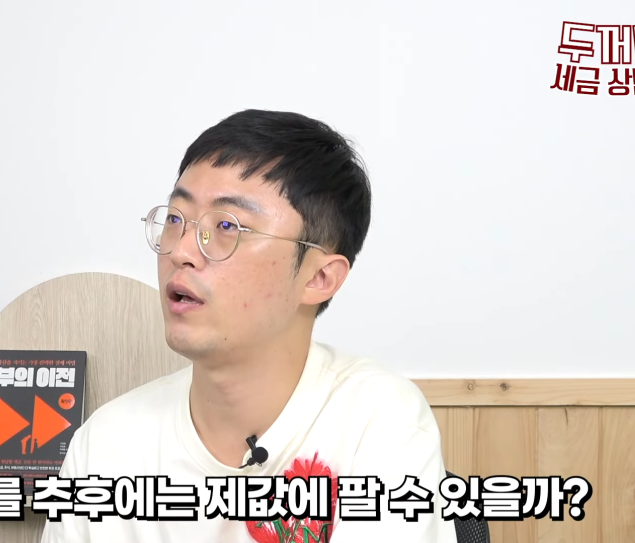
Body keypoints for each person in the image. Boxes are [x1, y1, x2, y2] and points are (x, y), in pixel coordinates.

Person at [40, 109, 457, 542]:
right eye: (176, 219)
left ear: (319, 277)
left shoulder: (380, 424)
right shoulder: (105, 447)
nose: (182, 251)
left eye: (227, 226)